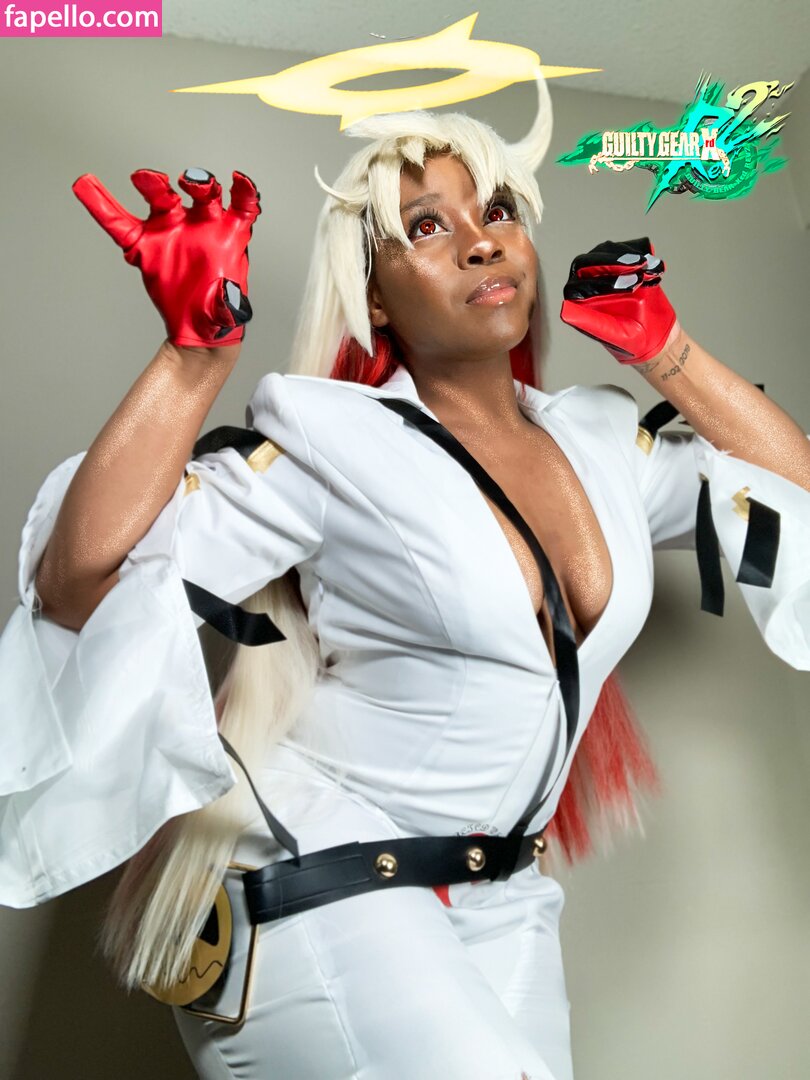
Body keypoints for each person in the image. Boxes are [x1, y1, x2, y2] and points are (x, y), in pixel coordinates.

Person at [1, 71, 809, 1079]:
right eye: (427, 227)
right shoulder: (328, 437)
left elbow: (792, 486)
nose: (480, 240)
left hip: (504, 895)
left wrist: (666, 348)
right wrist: (192, 355)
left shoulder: (604, 442)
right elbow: (83, 581)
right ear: (375, 294)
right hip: (314, 875)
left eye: (498, 211)